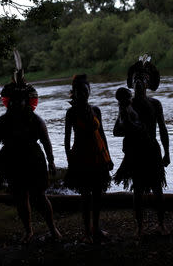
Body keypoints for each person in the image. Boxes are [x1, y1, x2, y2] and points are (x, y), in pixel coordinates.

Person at [0, 81, 61, 244]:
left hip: (34, 160)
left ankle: (53, 229)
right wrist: (0, 172)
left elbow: (46, 142)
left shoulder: (36, 120)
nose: (16, 103)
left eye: (20, 100)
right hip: (12, 162)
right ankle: (28, 231)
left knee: (40, 196)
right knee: (20, 198)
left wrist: (51, 162)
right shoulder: (1, 122)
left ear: (27, 101)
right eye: (13, 100)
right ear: (8, 102)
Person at [113, 55, 170, 237]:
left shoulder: (155, 104)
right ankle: (140, 227)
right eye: (137, 78)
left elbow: (162, 129)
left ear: (148, 83)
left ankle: (161, 224)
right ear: (133, 82)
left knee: (157, 188)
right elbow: (116, 131)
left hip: (152, 151)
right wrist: (132, 128)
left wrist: (167, 153)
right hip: (134, 152)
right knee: (137, 191)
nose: (139, 82)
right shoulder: (126, 105)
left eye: (143, 79)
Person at [64, 74, 114, 244]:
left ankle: (96, 228)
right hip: (80, 157)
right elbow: (66, 139)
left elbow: (102, 134)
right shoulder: (71, 112)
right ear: (74, 93)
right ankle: (86, 232)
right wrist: (69, 160)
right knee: (85, 196)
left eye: (85, 91)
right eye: (79, 91)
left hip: (98, 156)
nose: (83, 94)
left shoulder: (96, 110)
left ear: (89, 91)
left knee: (98, 195)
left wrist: (108, 157)